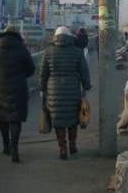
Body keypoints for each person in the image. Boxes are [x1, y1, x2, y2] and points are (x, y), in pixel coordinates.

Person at [38, 26, 92, 160]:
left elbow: (42, 74)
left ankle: (63, 148)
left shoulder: (48, 52)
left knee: (58, 119)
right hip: (73, 90)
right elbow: (84, 72)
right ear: (69, 37)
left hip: (53, 92)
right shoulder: (77, 52)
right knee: (73, 118)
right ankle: (73, 144)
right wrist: (86, 86)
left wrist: (42, 88)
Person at [0, 25, 36, 163]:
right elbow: (31, 70)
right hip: (18, 88)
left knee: (2, 117)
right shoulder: (22, 49)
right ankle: (15, 150)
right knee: (15, 119)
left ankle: (6, 146)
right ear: (17, 35)